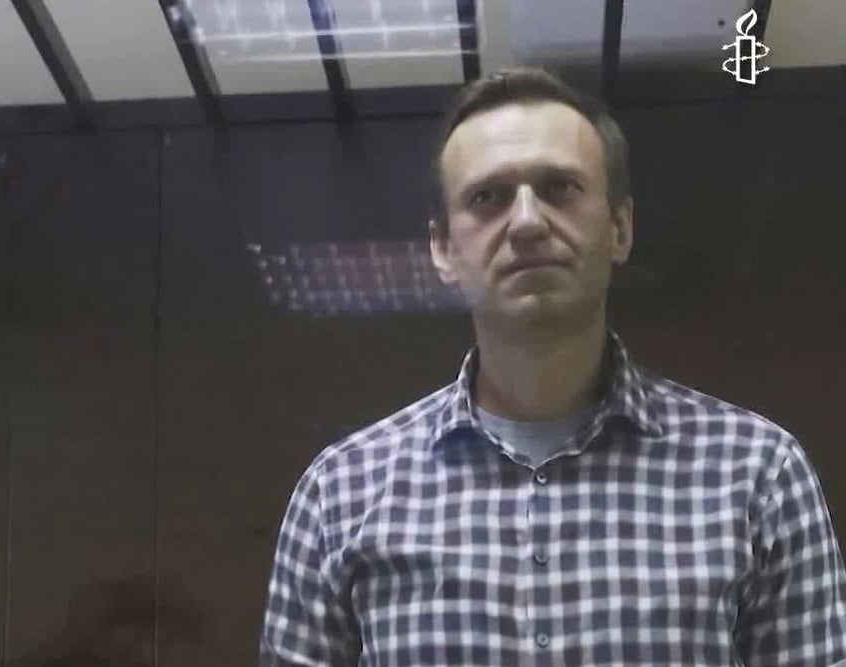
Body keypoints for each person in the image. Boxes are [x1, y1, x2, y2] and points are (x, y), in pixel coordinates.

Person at [259, 67, 846, 665]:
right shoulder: (341, 493)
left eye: (559, 188)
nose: (527, 222)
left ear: (619, 228)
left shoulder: (757, 473)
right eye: (487, 197)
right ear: (443, 249)